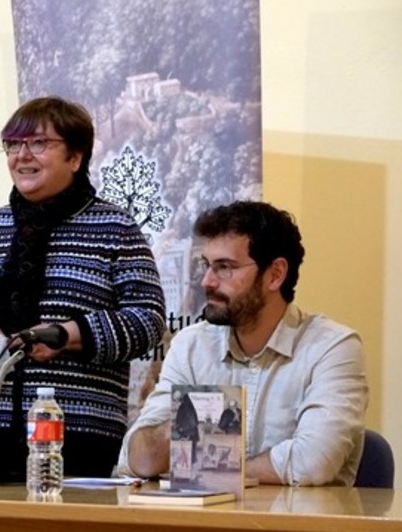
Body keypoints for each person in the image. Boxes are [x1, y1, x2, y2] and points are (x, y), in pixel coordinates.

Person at [0, 96, 166, 478]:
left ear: (75, 157)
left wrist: (67, 335)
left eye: (38, 144)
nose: (22, 156)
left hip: (77, 438)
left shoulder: (116, 229)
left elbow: (147, 321)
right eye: (13, 144)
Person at [118, 201, 368, 486]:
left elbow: (312, 463)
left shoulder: (332, 348)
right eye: (206, 266)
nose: (207, 282)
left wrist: (204, 466)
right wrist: (174, 429)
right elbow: (135, 461)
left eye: (225, 267)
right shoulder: (190, 345)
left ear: (275, 274)